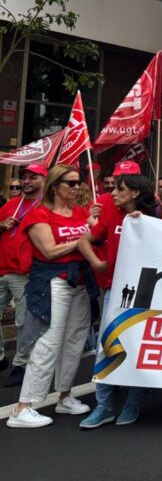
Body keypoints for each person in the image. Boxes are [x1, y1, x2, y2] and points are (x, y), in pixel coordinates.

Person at [6, 166, 98, 428]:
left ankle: (65, 396)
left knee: (75, 341)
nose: (77, 188)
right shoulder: (39, 215)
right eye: (70, 183)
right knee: (49, 341)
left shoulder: (80, 212)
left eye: (79, 182)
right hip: (52, 283)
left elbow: (98, 233)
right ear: (55, 186)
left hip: (80, 282)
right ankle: (23, 407)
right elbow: (49, 251)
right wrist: (84, 240)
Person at [77, 173, 161, 429]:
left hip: (147, 291)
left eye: (119, 189)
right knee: (107, 345)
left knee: (137, 347)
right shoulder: (111, 213)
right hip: (116, 289)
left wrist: (146, 224)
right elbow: (84, 240)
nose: (112, 193)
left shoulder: (156, 218)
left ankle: (132, 403)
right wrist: (97, 263)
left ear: (135, 193)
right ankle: (103, 406)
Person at [0, 164, 47, 386]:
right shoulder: (10, 205)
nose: (27, 181)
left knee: (22, 322)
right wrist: (1, 225)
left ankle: (20, 364)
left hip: (24, 273)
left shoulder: (46, 206)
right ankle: (1, 358)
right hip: (2, 269)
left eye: (32, 177)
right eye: (24, 178)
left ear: (44, 180)